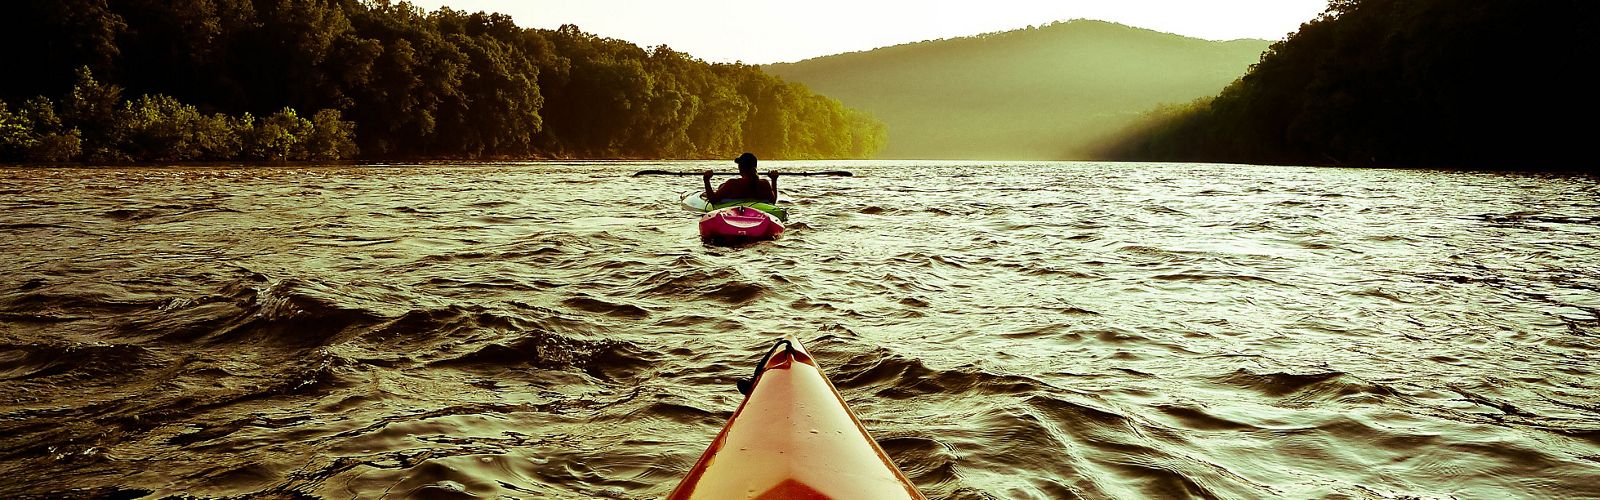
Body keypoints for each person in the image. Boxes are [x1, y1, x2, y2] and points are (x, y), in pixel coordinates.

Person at [704, 152, 779, 204]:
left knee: (721, 186)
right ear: (755, 167)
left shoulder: (732, 183)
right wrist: (774, 180)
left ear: (740, 167)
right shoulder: (764, 184)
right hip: (758, 212)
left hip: (733, 212)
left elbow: (713, 200)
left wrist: (706, 180)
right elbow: (773, 201)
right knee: (722, 186)